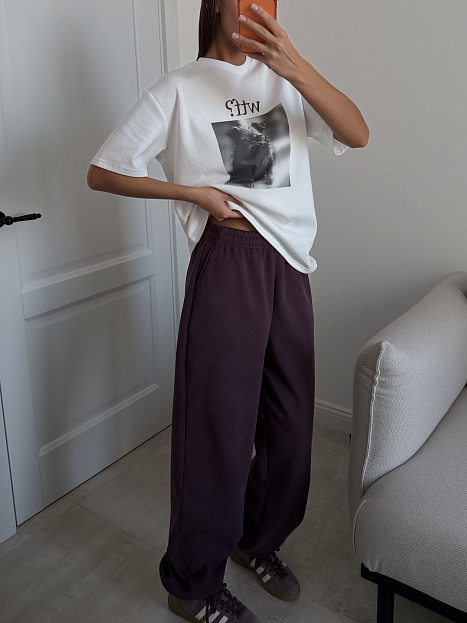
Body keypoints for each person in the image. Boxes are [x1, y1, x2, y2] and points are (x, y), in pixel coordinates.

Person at [87, 1, 369, 621]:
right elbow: (102, 172)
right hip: (230, 259)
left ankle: (255, 541)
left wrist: (293, 65)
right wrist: (192, 193)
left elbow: (357, 133)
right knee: (217, 427)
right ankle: (192, 583)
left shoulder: (284, 79)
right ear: (217, 4)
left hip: (289, 263)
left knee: (290, 428)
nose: (258, 9)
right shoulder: (180, 88)